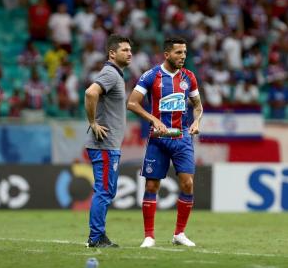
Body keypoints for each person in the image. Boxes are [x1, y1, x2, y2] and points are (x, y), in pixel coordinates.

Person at [127, 37, 203, 248]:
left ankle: (179, 233)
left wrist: (197, 120)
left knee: (187, 183)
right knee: (152, 184)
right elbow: (132, 103)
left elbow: (197, 105)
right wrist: (153, 119)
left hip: (182, 139)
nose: (183, 57)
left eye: (185, 53)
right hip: (158, 140)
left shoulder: (189, 77)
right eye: (179, 53)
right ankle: (149, 236)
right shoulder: (151, 76)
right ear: (167, 54)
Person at [84, 34, 132, 248]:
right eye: (124, 50)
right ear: (112, 53)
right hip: (104, 144)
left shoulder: (115, 74)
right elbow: (90, 92)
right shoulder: (111, 73)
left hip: (109, 144)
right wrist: (93, 122)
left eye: (130, 50)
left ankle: (98, 235)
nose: (129, 53)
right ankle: (96, 237)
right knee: (104, 191)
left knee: (107, 190)